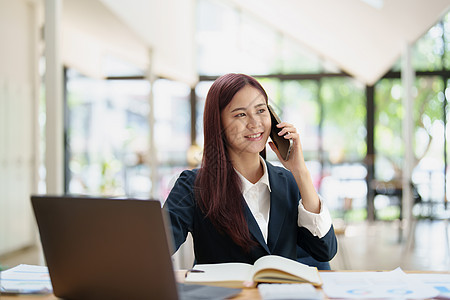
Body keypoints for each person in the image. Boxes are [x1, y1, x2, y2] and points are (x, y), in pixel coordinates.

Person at [163, 73, 337, 266]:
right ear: (218, 122)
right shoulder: (194, 185)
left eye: (261, 110)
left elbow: (325, 250)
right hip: (225, 295)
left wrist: (300, 171)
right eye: (240, 114)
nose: (255, 123)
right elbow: (159, 246)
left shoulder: (288, 181)